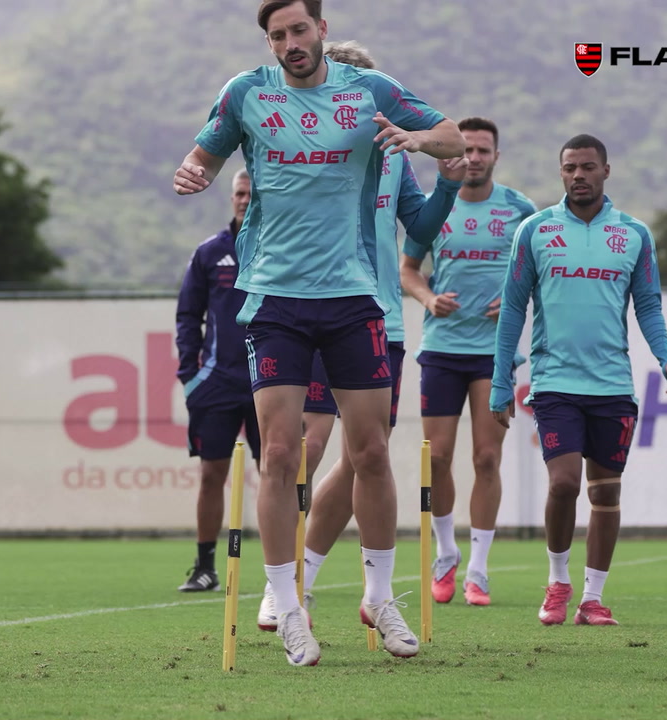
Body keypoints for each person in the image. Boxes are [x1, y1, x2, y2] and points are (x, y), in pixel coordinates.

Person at [173, 0, 465, 666]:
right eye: (277, 35)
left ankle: (380, 596)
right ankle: (287, 604)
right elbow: (202, 158)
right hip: (274, 299)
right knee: (281, 454)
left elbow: (451, 136)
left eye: (298, 30)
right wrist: (192, 174)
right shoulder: (245, 92)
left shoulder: (372, 91)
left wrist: (420, 141)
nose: (289, 44)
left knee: (370, 452)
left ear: (322, 30)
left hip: (355, 297)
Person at [285, 39, 464, 613]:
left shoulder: (393, 157)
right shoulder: (298, 149)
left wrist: (450, 183)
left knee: (368, 456)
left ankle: (308, 583)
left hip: (378, 320)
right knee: (305, 447)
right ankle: (279, 586)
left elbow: (419, 226)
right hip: (311, 310)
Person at [489, 134, 667, 627]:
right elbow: (513, 307)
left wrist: (666, 355)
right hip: (554, 382)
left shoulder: (634, 234)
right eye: (570, 167)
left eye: (587, 167)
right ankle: (558, 582)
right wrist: (500, 379)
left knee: (605, 494)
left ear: (606, 171)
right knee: (563, 484)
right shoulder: (534, 230)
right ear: (561, 173)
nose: (578, 175)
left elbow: (648, 304)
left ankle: (593, 599)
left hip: (613, 386)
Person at [400, 116, 537, 608]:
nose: (474, 158)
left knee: (487, 457)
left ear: (496, 156)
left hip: (494, 353)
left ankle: (478, 570)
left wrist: (518, 297)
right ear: (450, 154)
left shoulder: (520, 210)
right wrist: (428, 299)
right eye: (467, 150)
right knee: (435, 458)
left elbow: (542, 271)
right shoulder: (438, 206)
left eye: (483, 151)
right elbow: (408, 269)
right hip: (442, 349)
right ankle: (446, 554)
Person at [174, 169, 261, 592]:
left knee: (280, 473)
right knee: (212, 474)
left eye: (252, 193)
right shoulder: (209, 253)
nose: (245, 200)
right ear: (232, 198)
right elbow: (188, 317)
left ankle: (287, 569)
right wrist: (189, 377)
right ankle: (205, 567)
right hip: (217, 384)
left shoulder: (281, 248)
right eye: (240, 193)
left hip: (273, 381)